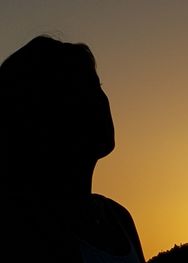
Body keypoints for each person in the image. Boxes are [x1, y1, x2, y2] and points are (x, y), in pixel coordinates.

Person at [0, 36, 145, 262]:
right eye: (79, 90)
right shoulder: (24, 229)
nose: (100, 100)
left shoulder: (117, 218)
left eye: (97, 85)